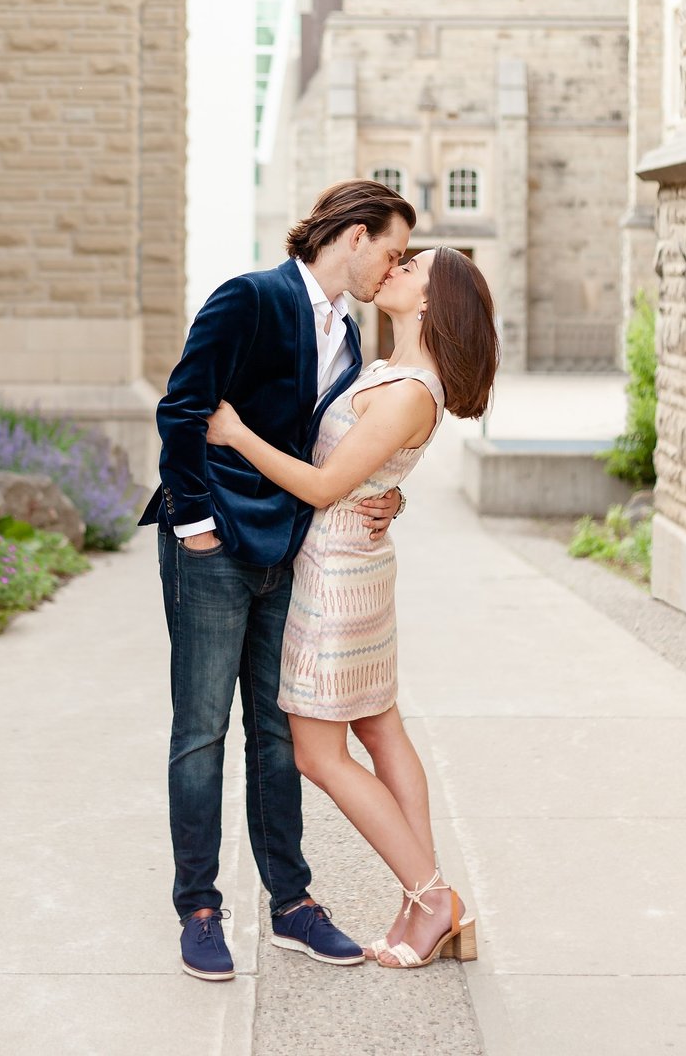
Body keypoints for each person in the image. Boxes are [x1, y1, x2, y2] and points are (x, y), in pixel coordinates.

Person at [141, 178, 416, 982]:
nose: (393, 268)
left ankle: (291, 905)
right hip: (214, 546)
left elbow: (339, 451)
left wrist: (387, 494)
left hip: (290, 552)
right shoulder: (250, 299)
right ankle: (199, 908)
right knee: (200, 733)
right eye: (392, 250)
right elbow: (180, 408)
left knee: (278, 733)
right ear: (355, 235)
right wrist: (193, 526)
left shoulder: (350, 339)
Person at [206, 244, 500, 971]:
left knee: (318, 752)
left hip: (336, 577)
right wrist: (389, 493)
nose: (393, 270)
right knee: (379, 725)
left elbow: (324, 484)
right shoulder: (393, 372)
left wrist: (236, 433)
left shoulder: (407, 388)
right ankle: (422, 899)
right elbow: (370, 472)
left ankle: (432, 898)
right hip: (352, 562)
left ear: (432, 300)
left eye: (411, 268)